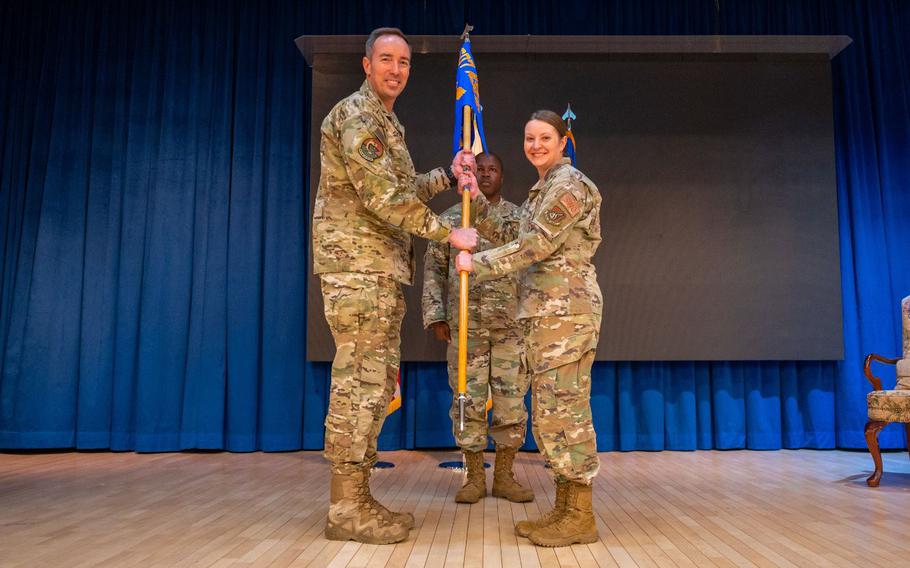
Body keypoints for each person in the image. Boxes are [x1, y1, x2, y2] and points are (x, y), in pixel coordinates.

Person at [313, 27, 478, 545]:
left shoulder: (387, 122)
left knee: (375, 384)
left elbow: (401, 188)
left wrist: (447, 176)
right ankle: (344, 507)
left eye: (404, 62)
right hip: (358, 268)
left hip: (379, 269)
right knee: (358, 387)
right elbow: (385, 199)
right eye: (386, 59)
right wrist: (448, 233)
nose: (396, 70)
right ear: (366, 64)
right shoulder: (357, 115)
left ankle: (358, 498)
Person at [455, 110, 602, 547]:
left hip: (566, 315)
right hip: (545, 317)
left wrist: (475, 264)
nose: (536, 145)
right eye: (529, 138)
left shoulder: (568, 186)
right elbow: (507, 229)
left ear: (563, 141)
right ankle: (564, 509)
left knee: (567, 415)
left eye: (545, 138)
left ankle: (580, 516)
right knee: (552, 415)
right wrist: (467, 187)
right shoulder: (542, 190)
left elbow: (535, 244)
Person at [422, 152, 533, 505]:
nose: (485, 175)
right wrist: (437, 315)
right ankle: (473, 477)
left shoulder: (518, 219)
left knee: (510, 403)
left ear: (502, 175)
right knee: (466, 401)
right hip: (465, 327)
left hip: (510, 328)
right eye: (478, 169)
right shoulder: (450, 220)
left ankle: (504, 476)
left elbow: (530, 266)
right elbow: (434, 271)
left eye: (492, 169)